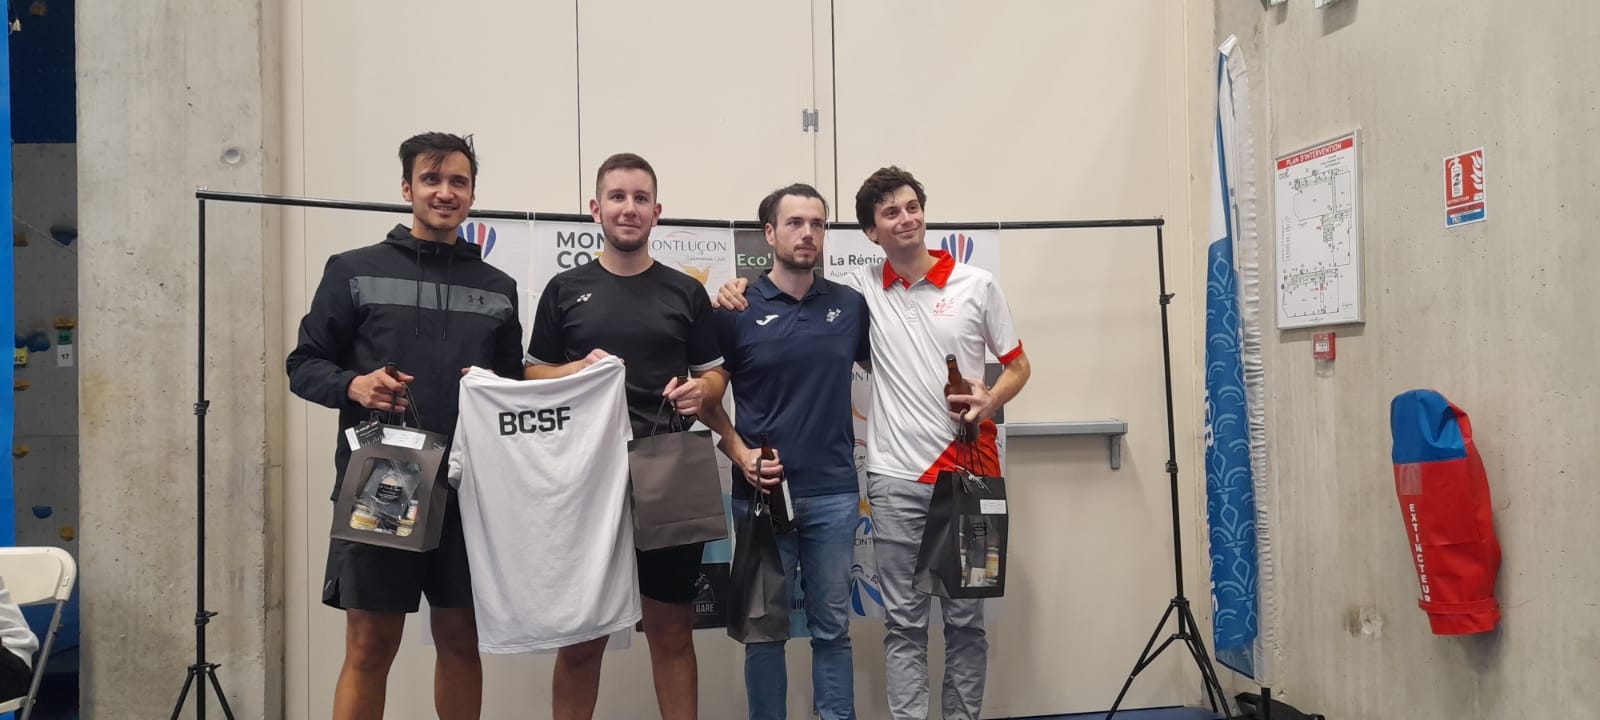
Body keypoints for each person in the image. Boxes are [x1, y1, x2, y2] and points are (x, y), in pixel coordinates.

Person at [716, 167, 1032, 720]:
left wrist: (990, 400)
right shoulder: (859, 291)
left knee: (966, 624)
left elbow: (1019, 366)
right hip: (894, 479)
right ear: (870, 231)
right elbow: (784, 289)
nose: (905, 219)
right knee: (904, 624)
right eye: (890, 212)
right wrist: (733, 285)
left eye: (912, 207)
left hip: (972, 476)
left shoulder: (977, 284)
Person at [286, 132, 523, 720]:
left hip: (471, 489)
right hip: (384, 479)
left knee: (462, 640)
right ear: (406, 188)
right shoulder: (353, 270)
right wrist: (354, 385)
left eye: (458, 182)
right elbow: (303, 365)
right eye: (431, 179)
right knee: (370, 646)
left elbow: (511, 388)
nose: (445, 192)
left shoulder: (498, 288)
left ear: (472, 194)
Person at [524, 152, 728, 720]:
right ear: (596, 209)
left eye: (641, 198)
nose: (629, 208)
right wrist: (574, 370)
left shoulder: (685, 292)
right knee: (582, 638)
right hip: (584, 475)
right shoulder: (565, 289)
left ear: (657, 212)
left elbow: (714, 375)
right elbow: (531, 374)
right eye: (617, 197)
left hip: (671, 468)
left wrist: (703, 390)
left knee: (672, 631)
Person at [697, 183, 869, 720]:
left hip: (835, 495)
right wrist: (739, 453)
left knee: (832, 632)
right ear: (769, 234)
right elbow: (706, 398)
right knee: (764, 636)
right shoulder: (735, 309)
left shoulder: (850, 305)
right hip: (761, 498)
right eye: (795, 223)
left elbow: (903, 362)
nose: (807, 233)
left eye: (817, 224)